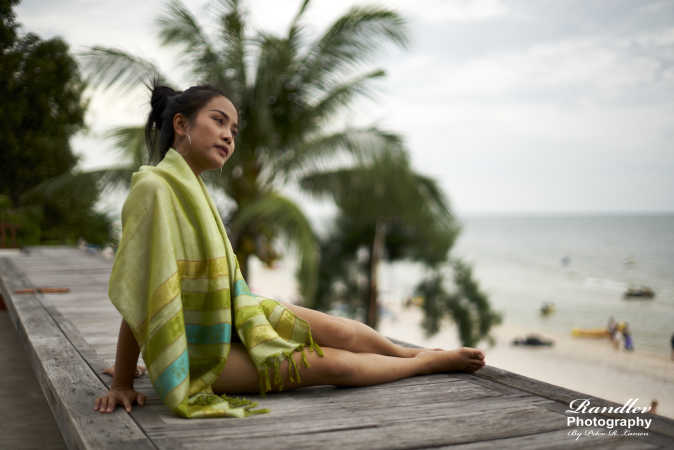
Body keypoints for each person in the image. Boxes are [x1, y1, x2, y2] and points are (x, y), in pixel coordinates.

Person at [93, 80, 486, 418]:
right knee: (334, 366)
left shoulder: (194, 190)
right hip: (201, 356)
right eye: (218, 120)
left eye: (234, 127)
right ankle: (426, 364)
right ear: (181, 124)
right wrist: (124, 379)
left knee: (340, 330)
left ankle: (404, 355)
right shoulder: (153, 188)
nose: (230, 134)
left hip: (236, 315)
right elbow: (142, 290)